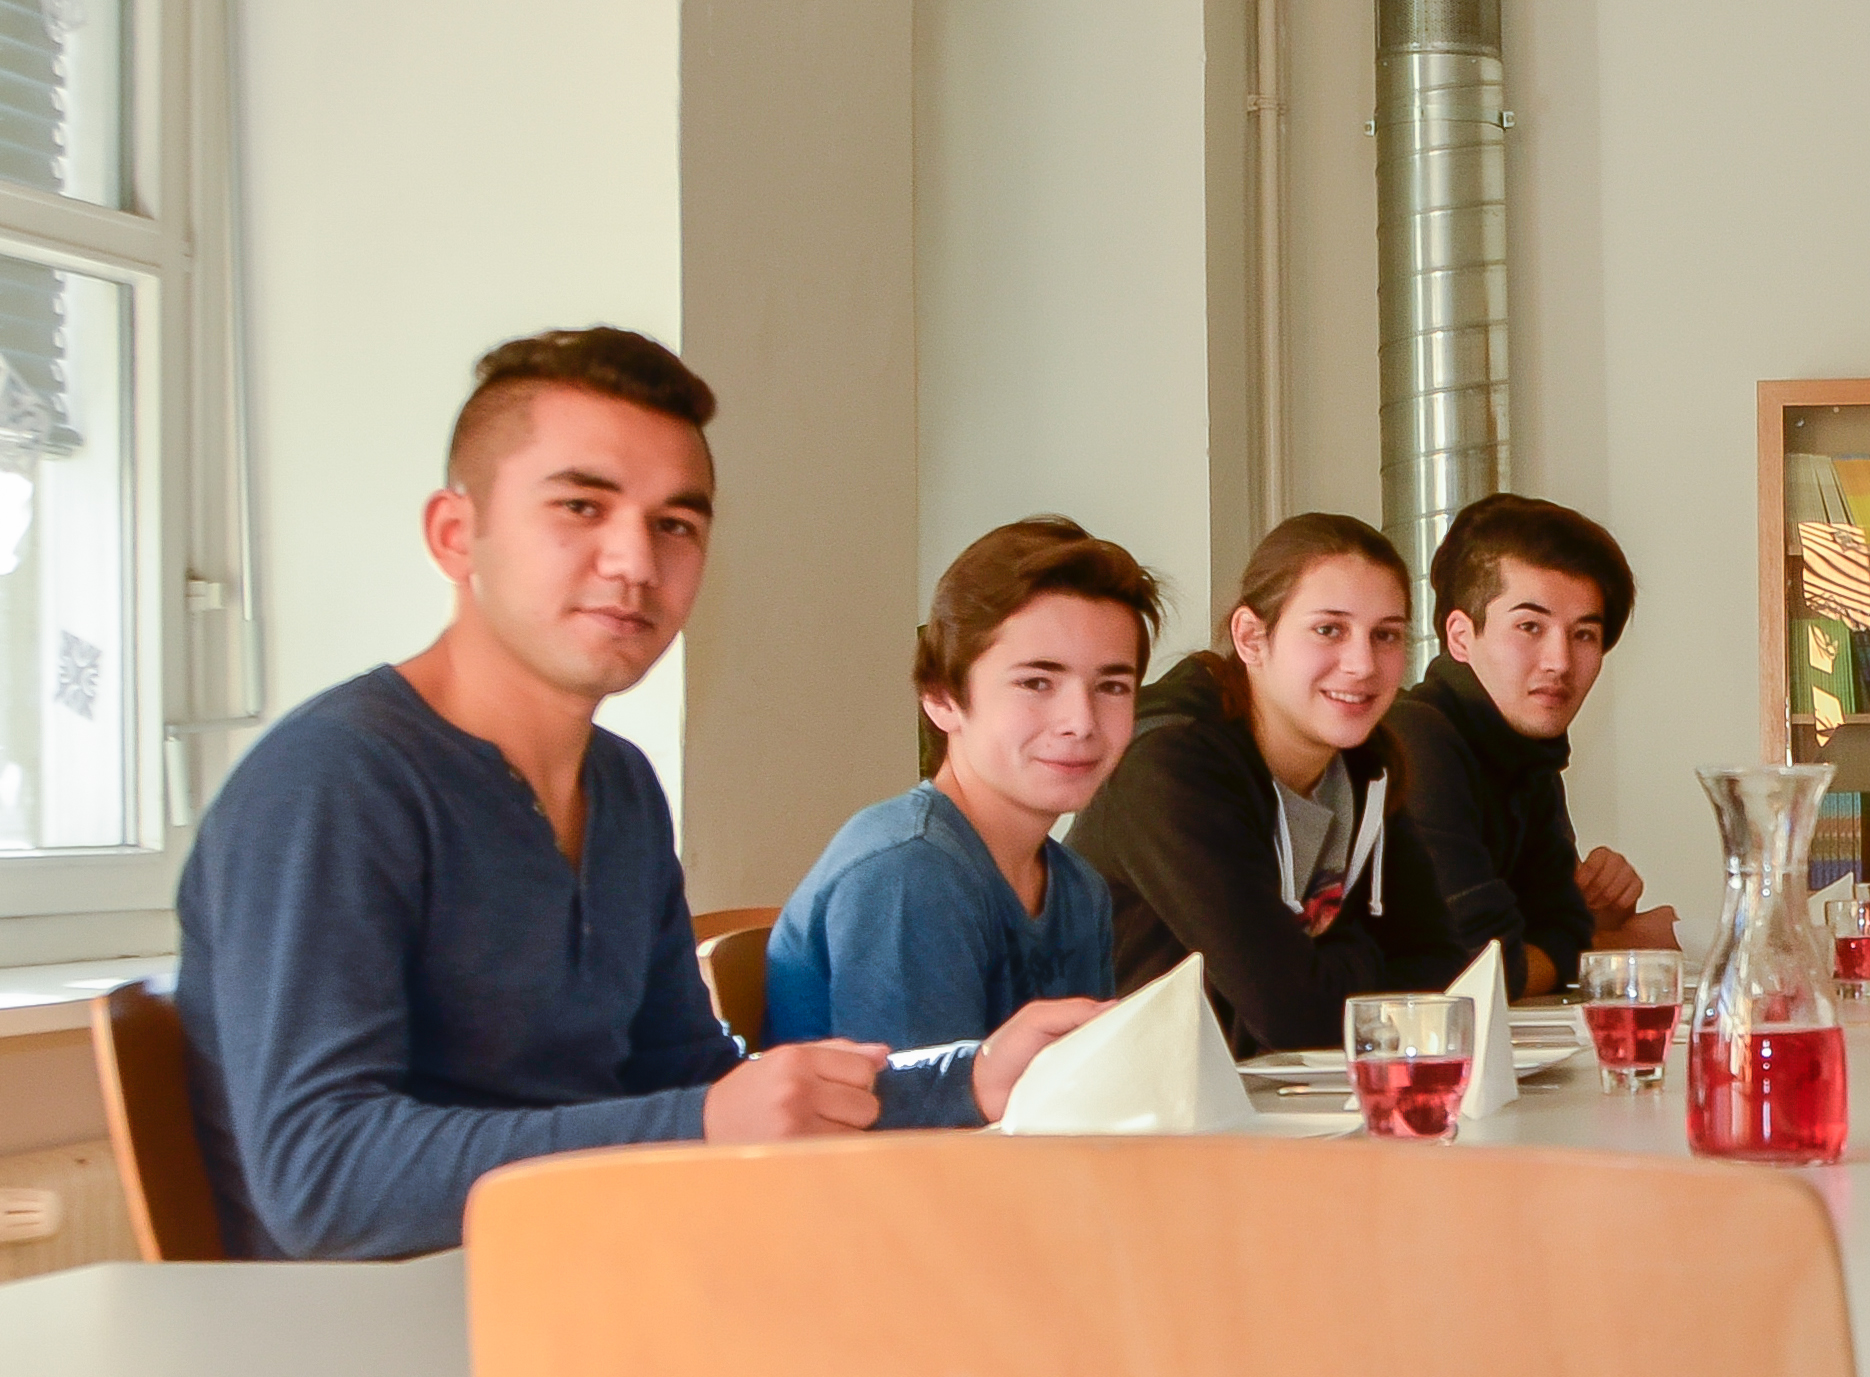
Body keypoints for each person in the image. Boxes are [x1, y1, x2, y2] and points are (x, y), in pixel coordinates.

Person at [173, 329, 1102, 1260]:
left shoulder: (618, 786)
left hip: (597, 1278)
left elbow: (689, 1078)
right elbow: (322, 1178)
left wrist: (973, 1078)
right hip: (387, 1318)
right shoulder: (333, 780)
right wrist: (702, 1123)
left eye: (675, 525)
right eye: (581, 506)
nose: (635, 561)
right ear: (456, 535)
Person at [761, 518, 1159, 1124]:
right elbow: (917, 1143)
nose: (1081, 721)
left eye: (1112, 686)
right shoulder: (909, 873)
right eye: (1037, 682)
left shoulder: (1078, 887)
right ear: (942, 697)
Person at [1069, 513, 1462, 1055]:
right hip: (1131, 1093)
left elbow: (1444, 975)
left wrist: (1322, 968)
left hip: (1268, 1089)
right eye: (1329, 630)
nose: (1362, 664)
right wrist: (1365, 953)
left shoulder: (1366, 765)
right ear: (1252, 638)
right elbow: (1294, 1014)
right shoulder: (1170, 766)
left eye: (1386, 635)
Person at [1383, 495, 1678, 999]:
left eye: (1584, 634)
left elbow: (1559, 926)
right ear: (1460, 637)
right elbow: (1481, 973)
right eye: (1529, 627)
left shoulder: (1529, 756)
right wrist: (1619, 946)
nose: (1559, 661)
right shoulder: (1414, 741)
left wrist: (1598, 924)